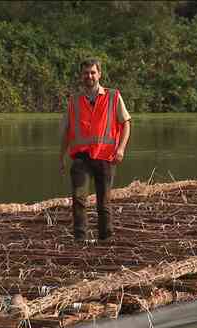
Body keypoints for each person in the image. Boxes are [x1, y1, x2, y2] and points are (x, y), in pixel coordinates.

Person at [58, 58, 132, 242]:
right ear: (81, 76)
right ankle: (79, 239)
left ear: (99, 74)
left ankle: (106, 239)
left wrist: (121, 149)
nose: (89, 76)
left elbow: (126, 123)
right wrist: (61, 157)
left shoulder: (113, 96)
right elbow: (66, 131)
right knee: (78, 200)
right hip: (81, 158)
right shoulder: (74, 101)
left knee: (103, 203)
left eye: (92, 72)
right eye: (86, 73)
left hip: (106, 157)